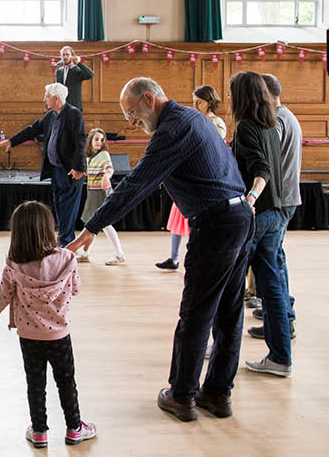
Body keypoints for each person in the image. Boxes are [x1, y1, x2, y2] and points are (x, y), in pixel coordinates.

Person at [67, 77, 251, 423]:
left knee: (196, 313)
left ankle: (182, 396)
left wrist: (92, 226)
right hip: (238, 215)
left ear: (149, 99)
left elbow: (137, 184)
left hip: (216, 224)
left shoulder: (173, 129)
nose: (129, 121)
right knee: (228, 312)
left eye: (131, 112)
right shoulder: (192, 119)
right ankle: (217, 394)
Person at [0, 201, 97, 448]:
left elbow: (3, 295)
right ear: (48, 228)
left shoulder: (14, 263)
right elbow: (76, 289)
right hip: (59, 336)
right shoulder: (67, 258)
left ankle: (39, 432)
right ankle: (75, 429)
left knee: (35, 384)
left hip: (29, 336)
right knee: (66, 382)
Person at [228, 71, 290, 377]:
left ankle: (223, 347)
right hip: (275, 214)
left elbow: (262, 169)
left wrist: (249, 199)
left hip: (259, 215)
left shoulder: (246, 127)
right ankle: (280, 357)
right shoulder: (270, 125)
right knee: (272, 288)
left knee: (230, 285)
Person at [0, 83, 86, 246]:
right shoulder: (51, 115)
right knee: (59, 207)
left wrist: (79, 167)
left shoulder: (73, 114)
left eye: (47, 96)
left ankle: (66, 244)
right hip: (56, 170)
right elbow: (33, 129)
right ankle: (65, 241)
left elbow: (80, 141)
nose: (44, 99)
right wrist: (11, 141)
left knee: (67, 209)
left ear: (56, 98)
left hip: (70, 170)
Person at [248, 74, 301, 338]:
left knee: (272, 263)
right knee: (276, 259)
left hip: (279, 200)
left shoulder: (277, 121)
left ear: (267, 94)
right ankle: (282, 312)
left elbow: (267, 162)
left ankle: (282, 318)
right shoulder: (288, 116)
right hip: (287, 198)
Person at [156, 85, 227, 271]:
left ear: (209, 102)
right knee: (177, 219)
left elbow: (212, 146)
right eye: (193, 102)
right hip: (188, 175)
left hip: (203, 178)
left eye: (199, 102)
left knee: (195, 223)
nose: (195, 106)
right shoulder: (194, 120)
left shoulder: (216, 122)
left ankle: (195, 258)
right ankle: (174, 258)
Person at [76, 128, 125, 265]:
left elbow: (109, 169)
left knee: (104, 224)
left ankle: (119, 254)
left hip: (101, 193)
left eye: (102, 140)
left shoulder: (104, 155)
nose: (99, 142)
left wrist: (106, 176)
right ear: (90, 140)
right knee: (91, 224)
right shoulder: (88, 157)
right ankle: (85, 253)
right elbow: (88, 172)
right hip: (92, 192)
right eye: (96, 139)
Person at [53, 46, 93, 112]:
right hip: (61, 107)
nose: (65, 57)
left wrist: (79, 63)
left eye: (67, 54)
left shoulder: (77, 70)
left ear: (72, 56)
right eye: (63, 55)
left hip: (75, 107)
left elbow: (90, 75)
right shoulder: (59, 71)